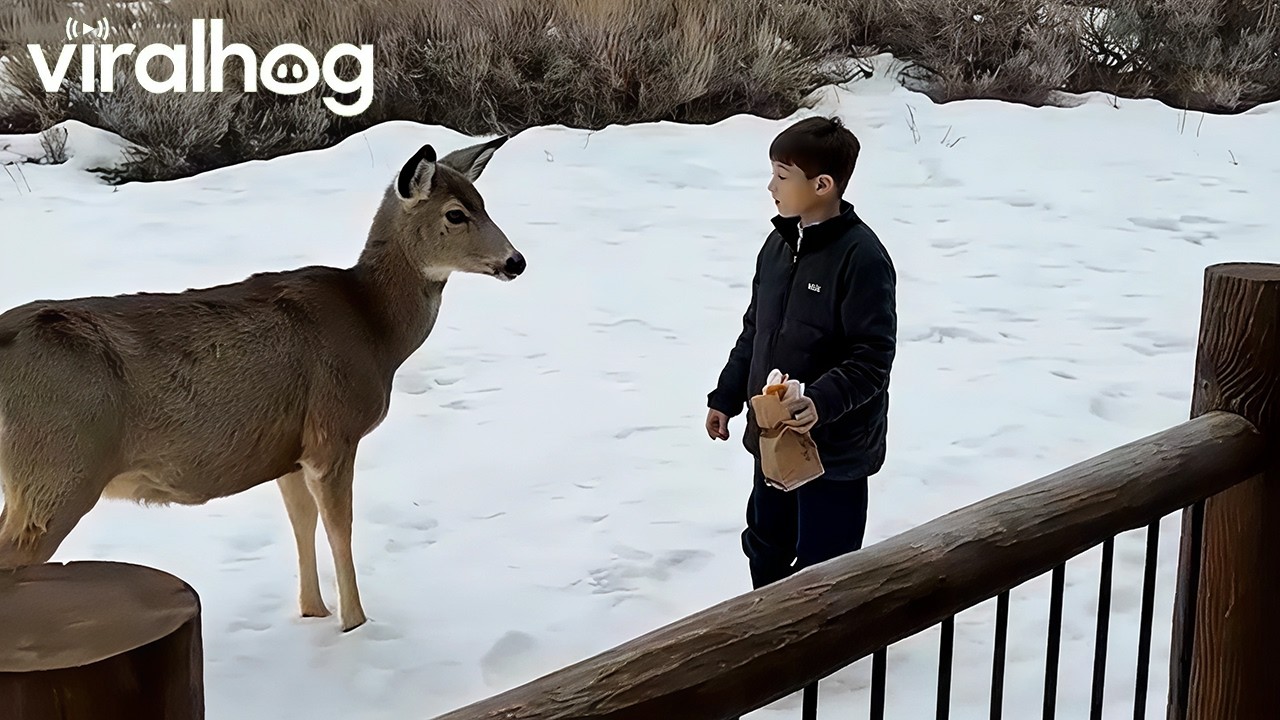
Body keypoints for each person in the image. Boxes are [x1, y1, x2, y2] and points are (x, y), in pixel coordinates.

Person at [705, 115, 897, 590]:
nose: (770, 185)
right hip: (773, 438)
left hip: (834, 452)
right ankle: (771, 644)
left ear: (823, 184)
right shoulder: (776, 246)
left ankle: (820, 655)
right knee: (766, 543)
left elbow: (873, 357)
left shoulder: (862, 258)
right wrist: (725, 396)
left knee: (825, 565)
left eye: (782, 175)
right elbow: (755, 331)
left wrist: (821, 401)